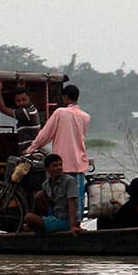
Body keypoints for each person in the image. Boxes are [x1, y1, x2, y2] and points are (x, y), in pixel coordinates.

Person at [24, 84, 91, 214]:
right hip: (79, 164)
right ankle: (77, 225)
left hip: (59, 165)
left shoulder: (60, 112)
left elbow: (45, 135)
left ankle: (56, 226)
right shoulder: (85, 116)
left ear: (65, 97)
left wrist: (30, 149)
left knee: (55, 199)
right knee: (76, 200)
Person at [24, 153, 81, 233]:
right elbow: (48, 205)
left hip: (66, 221)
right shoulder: (46, 185)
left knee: (28, 217)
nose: (59, 168)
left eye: (60, 165)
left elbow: (73, 203)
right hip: (53, 219)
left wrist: (73, 226)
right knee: (39, 195)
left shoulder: (69, 181)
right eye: (54, 166)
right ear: (47, 169)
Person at [0, 82, 42, 151]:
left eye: (24, 100)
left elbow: (2, 108)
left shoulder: (26, 112)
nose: (21, 103)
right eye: (18, 101)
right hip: (29, 149)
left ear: (29, 98)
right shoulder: (32, 109)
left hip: (29, 151)